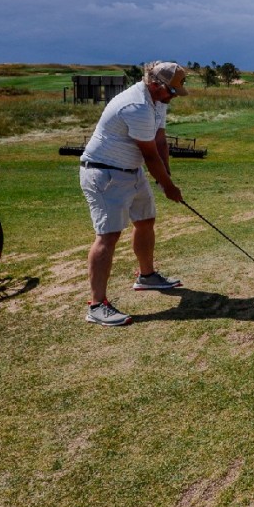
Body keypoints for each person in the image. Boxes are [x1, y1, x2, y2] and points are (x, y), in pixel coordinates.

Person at [79, 61, 188, 326]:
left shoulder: (158, 101)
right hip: (105, 173)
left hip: (132, 171)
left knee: (145, 220)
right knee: (108, 235)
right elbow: (149, 154)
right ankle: (96, 305)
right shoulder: (137, 106)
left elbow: (160, 140)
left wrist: (167, 179)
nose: (174, 97)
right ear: (155, 84)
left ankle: (147, 276)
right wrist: (168, 186)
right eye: (172, 92)